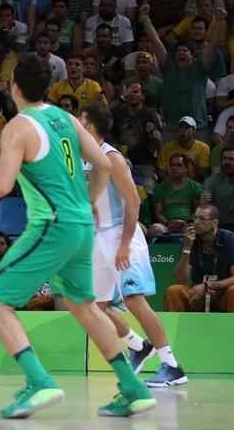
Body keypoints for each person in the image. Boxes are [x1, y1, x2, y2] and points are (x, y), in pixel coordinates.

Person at [0, 54, 155, 418]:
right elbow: (105, 164)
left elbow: (0, 186)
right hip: (81, 228)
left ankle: (39, 381)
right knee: (84, 306)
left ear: (14, 86)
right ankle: (133, 387)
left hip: (52, 226)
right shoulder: (68, 119)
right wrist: (88, 200)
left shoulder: (19, 126)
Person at [80, 101, 187, 389]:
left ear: (91, 126)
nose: (77, 124)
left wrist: (125, 244)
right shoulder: (83, 159)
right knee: (93, 306)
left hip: (120, 236)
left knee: (133, 299)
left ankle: (172, 366)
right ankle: (139, 345)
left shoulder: (111, 157)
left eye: (81, 120)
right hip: (97, 238)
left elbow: (133, 201)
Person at [163, 204, 234, 314]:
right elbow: (180, 280)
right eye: (195, 217)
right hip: (197, 295)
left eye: (202, 219)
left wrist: (207, 286)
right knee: (173, 291)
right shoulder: (189, 239)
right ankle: (173, 330)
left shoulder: (230, 239)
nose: (196, 222)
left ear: (214, 223)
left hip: (223, 294)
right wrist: (186, 249)